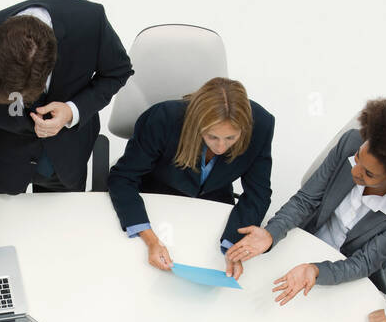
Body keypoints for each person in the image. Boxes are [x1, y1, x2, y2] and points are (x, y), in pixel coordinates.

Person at [0, 0, 133, 266]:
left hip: (64, 160)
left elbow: (118, 71)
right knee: (5, 244)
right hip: (2, 164)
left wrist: (72, 111)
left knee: (57, 249)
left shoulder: (90, 23)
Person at [227, 97, 386, 301]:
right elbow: (305, 200)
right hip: (303, 242)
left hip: (349, 276)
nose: (355, 171)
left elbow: (365, 262)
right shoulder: (350, 142)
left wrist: (316, 270)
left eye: (369, 174)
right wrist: (270, 234)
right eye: (358, 158)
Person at [107, 78, 274, 271]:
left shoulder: (262, 125)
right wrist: (151, 240)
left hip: (212, 204)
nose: (221, 147)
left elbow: (258, 194)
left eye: (231, 138)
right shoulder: (162, 118)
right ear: (197, 124)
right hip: (157, 197)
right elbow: (122, 178)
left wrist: (233, 247)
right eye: (212, 136)